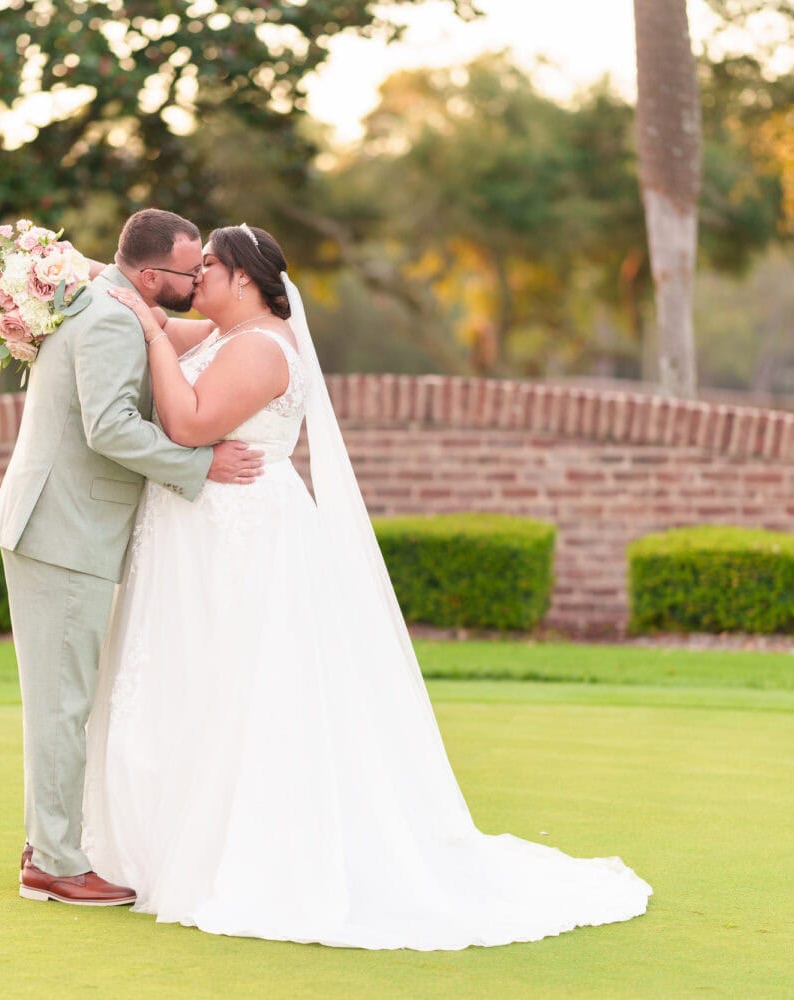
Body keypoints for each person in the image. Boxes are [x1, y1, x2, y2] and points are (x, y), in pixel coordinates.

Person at [87, 223, 652, 949]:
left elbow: (189, 422)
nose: (197, 280)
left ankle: (238, 848)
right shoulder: (226, 336)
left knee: (240, 684)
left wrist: (156, 336)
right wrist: (68, 274)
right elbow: (154, 310)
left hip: (243, 539)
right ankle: (153, 843)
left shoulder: (261, 348)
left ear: (245, 281)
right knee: (189, 678)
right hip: (194, 539)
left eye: (209, 271)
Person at [0, 209, 264, 907]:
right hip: (62, 530)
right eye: (189, 270)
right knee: (61, 704)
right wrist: (198, 465)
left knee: (59, 698)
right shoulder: (111, 317)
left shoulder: (111, 300)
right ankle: (54, 861)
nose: (199, 278)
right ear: (149, 275)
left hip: (61, 526)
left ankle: (43, 841)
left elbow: (218, 334)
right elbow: (110, 427)